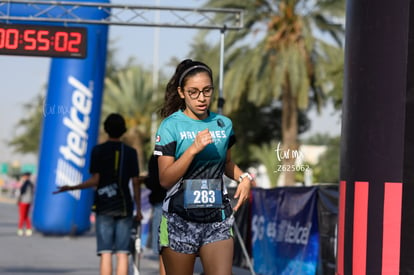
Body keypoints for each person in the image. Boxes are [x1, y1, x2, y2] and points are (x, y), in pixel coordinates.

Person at [154, 59, 253, 275]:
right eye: (194, 92)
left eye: (207, 91)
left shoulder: (223, 124)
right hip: (180, 218)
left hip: (216, 219)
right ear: (182, 92)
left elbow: (227, 164)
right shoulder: (171, 125)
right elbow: (165, 179)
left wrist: (244, 177)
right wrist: (191, 150)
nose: (201, 98)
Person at [54, 113, 143, 275]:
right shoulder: (130, 152)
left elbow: (95, 180)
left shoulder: (98, 150)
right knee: (123, 254)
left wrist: (71, 187)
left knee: (106, 252)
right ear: (123, 130)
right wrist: (138, 209)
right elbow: (136, 182)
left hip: (103, 207)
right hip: (124, 207)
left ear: (106, 129)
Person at [143, 155, 166, 275]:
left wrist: (145, 180)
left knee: (163, 249)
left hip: (161, 202)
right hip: (184, 203)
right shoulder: (186, 150)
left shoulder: (157, 156)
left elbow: (153, 182)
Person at [17, 172, 34, 237]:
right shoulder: (31, 184)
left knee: (22, 216)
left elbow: (20, 193)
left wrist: (21, 183)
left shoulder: (25, 184)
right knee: (26, 216)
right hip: (29, 201)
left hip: (23, 201)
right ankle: (28, 229)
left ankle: (20, 229)